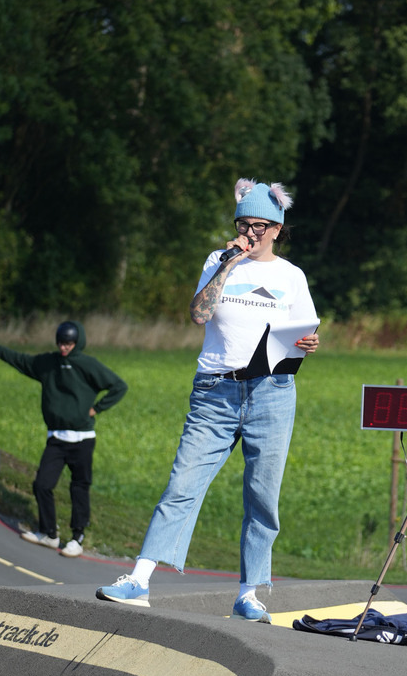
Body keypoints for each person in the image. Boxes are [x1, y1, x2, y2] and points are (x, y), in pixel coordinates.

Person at [96, 177, 319, 618]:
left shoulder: (291, 276)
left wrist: (311, 343)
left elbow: (305, 332)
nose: (249, 233)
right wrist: (228, 266)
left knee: (262, 496)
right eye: (242, 224)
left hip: (272, 392)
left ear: (277, 228)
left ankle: (248, 594)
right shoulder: (219, 259)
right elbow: (199, 314)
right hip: (215, 391)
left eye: (258, 226)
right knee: (183, 484)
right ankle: (139, 578)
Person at [0, 321, 128, 557]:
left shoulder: (88, 365)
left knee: (79, 488)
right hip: (56, 438)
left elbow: (119, 386)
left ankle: (77, 538)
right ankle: (49, 534)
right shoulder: (48, 364)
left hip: (83, 438)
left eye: (69, 344)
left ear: (78, 343)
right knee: (42, 484)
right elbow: (19, 360)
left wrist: (97, 408)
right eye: (61, 343)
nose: (64, 348)